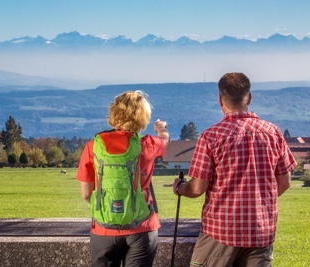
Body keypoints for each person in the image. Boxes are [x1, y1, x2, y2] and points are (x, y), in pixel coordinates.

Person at [173, 72, 297, 266]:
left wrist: (180, 187)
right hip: (261, 231)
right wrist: (257, 203)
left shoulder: (211, 137)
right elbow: (284, 182)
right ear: (250, 98)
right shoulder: (273, 133)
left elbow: (197, 189)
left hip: (221, 231)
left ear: (220, 100)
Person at [77, 90, 170, 267]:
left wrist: (111, 209)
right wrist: (161, 128)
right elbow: (165, 140)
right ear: (143, 118)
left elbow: (86, 194)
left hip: (104, 228)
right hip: (142, 228)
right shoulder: (147, 144)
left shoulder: (93, 146)